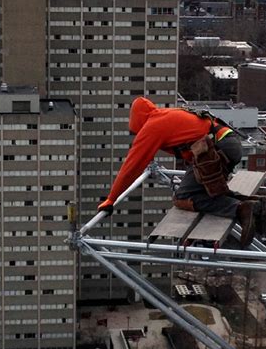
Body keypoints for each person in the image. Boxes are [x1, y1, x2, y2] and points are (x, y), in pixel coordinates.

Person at [97, 97, 255, 246]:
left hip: (217, 150)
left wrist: (111, 199)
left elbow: (132, 166)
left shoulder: (152, 127)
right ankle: (251, 204)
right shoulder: (167, 114)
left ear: (138, 123)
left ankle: (240, 208)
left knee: (183, 196)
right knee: (207, 191)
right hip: (226, 145)